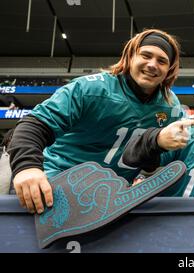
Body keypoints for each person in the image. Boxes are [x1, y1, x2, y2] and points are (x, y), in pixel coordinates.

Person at [8, 29, 184, 214]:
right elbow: (35, 124)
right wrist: (27, 167)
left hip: (112, 198)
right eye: (146, 55)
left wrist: (152, 154)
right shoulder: (90, 88)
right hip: (56, 185)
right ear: (130, 57)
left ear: (169, 69)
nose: (152, 65)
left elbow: (157, 161)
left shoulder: (170, 106)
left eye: (162, 61)